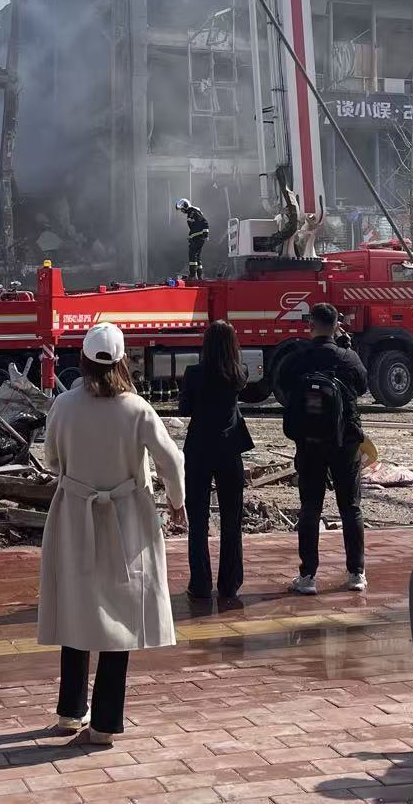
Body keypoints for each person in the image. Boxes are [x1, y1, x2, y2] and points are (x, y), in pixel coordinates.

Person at [38, 323, 186, 744]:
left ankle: (70, 712)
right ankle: (104, 723)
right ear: (123, 361)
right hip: (126, 519)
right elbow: (171, 460)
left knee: (76, 608)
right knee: (120, 618)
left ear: (83, 360)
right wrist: (177, 502)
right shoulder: (137, 409)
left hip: (74, 515)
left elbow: (51, 460)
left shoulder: (64, 405)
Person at [275, 303, 368, 594]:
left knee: (310, 507)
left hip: (309, 442)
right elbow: (362, 386)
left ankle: (308, 577)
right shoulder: (348, 357)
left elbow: (283, 389)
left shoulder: (298, 357)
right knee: (350, 507)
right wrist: (346, 349)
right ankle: (356, 574)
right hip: (345, 440)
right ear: (337, 325)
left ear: (310, 325)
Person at [178, 320, 253, 602]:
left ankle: (199, 583)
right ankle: (230, 583)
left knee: (198, 519)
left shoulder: (194, 373)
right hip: (230, 448)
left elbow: (184, 409)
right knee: (232, 519)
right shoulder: (239, 372)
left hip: (198, 448)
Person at [175, 198, 210, 280]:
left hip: (198, 237)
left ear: (185, 206)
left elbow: (205, 222)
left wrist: (205, 234)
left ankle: (192, 275)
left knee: (192, 256)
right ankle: (199, 276)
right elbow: (194, 227)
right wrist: (191, 236)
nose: (182, 211)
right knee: (197, 257)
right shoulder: (191, 213)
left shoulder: (193, 212)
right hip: (196, 237)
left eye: (182, 209)